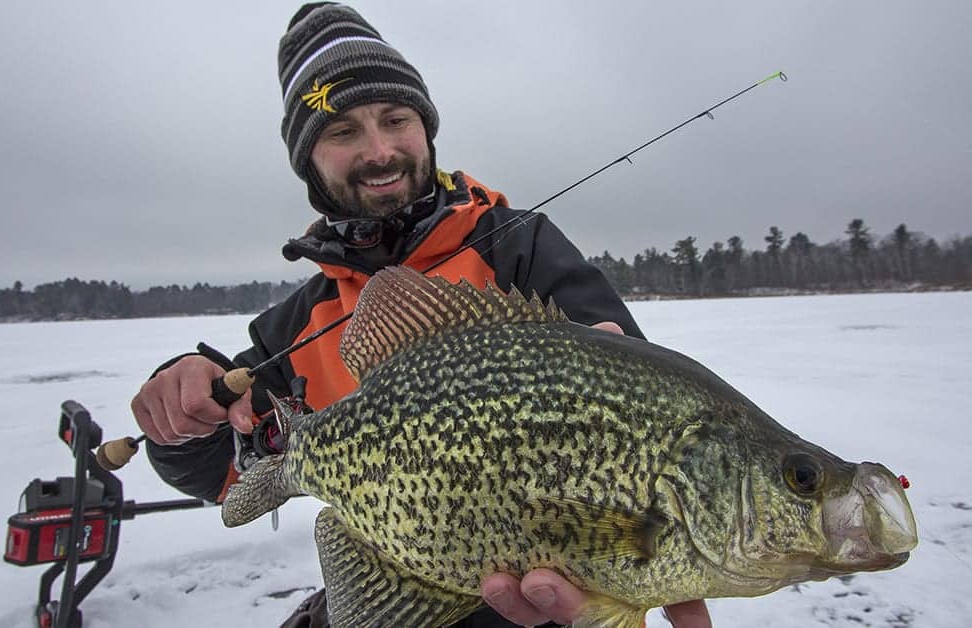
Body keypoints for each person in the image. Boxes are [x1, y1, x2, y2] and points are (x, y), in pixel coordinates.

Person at [131, 3, 712, 627]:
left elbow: (647, 414)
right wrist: (183, 406)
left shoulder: (519, 247)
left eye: (394, 119)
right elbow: (223, 470)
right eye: (342, 131)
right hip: (404, 597)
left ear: (426, 128)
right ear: (309, 160)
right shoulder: (296, 327)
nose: (379, 150)